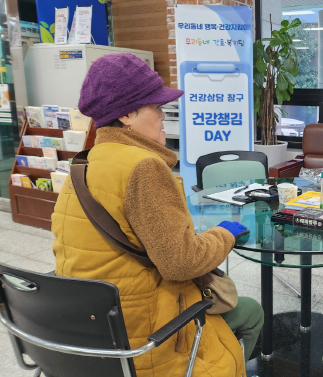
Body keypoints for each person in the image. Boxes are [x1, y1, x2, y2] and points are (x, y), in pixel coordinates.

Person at [51, 53, 263, 377]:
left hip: (89, 331)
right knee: (249, 311)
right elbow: (181, 263)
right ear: (127, 114)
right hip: (144, 336)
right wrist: (225, 233)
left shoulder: (83, 164)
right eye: (156, 106)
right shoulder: (144, 166)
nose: (164, 115)